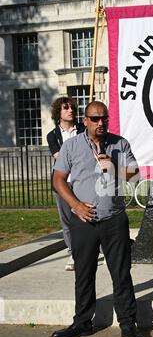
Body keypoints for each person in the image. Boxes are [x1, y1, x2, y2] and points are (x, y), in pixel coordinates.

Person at [51, 101, 147, 337]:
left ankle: (128, 324)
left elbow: (135, 174)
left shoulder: (120, 143)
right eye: (95, 119)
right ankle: (82, 323)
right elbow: (58, 180)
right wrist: (75, 205)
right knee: (84, 273)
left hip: (114, 218)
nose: (100, 123)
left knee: (121, 273)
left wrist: (113, 168)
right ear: (85, 121)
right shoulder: (71, 146)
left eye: (104, 118)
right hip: (84, 219)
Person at [47, 97, 85, 271]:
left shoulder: (84, 130)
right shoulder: (52, 135)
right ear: (58, 113)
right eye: (65, 108)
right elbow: (60, 158)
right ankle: (73, 252)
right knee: (67, 220)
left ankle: (96, 248)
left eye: (71, 108)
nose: (70, 110)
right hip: (62, 183)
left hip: (81, 181)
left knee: (86, 217)